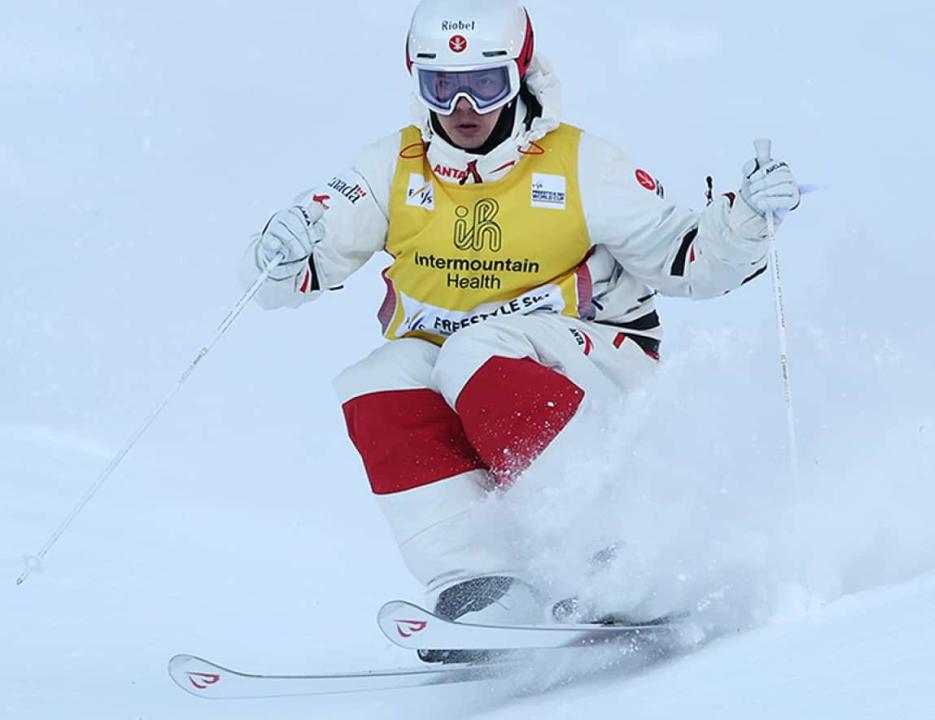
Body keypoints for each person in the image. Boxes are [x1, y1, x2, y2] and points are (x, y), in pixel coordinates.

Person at [242, 0, 800, 641]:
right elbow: (294, 266)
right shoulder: (394, 168)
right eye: (442, 87)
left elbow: (688, 259)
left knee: (474, 348)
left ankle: (615, 547)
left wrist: (746, 220)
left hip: (596, 365)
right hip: (474, 373)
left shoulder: (580, 163)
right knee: (378, 379)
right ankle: (484, 586)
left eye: (484, 85)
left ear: (520, 75)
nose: (464, 109)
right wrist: (279, 252)